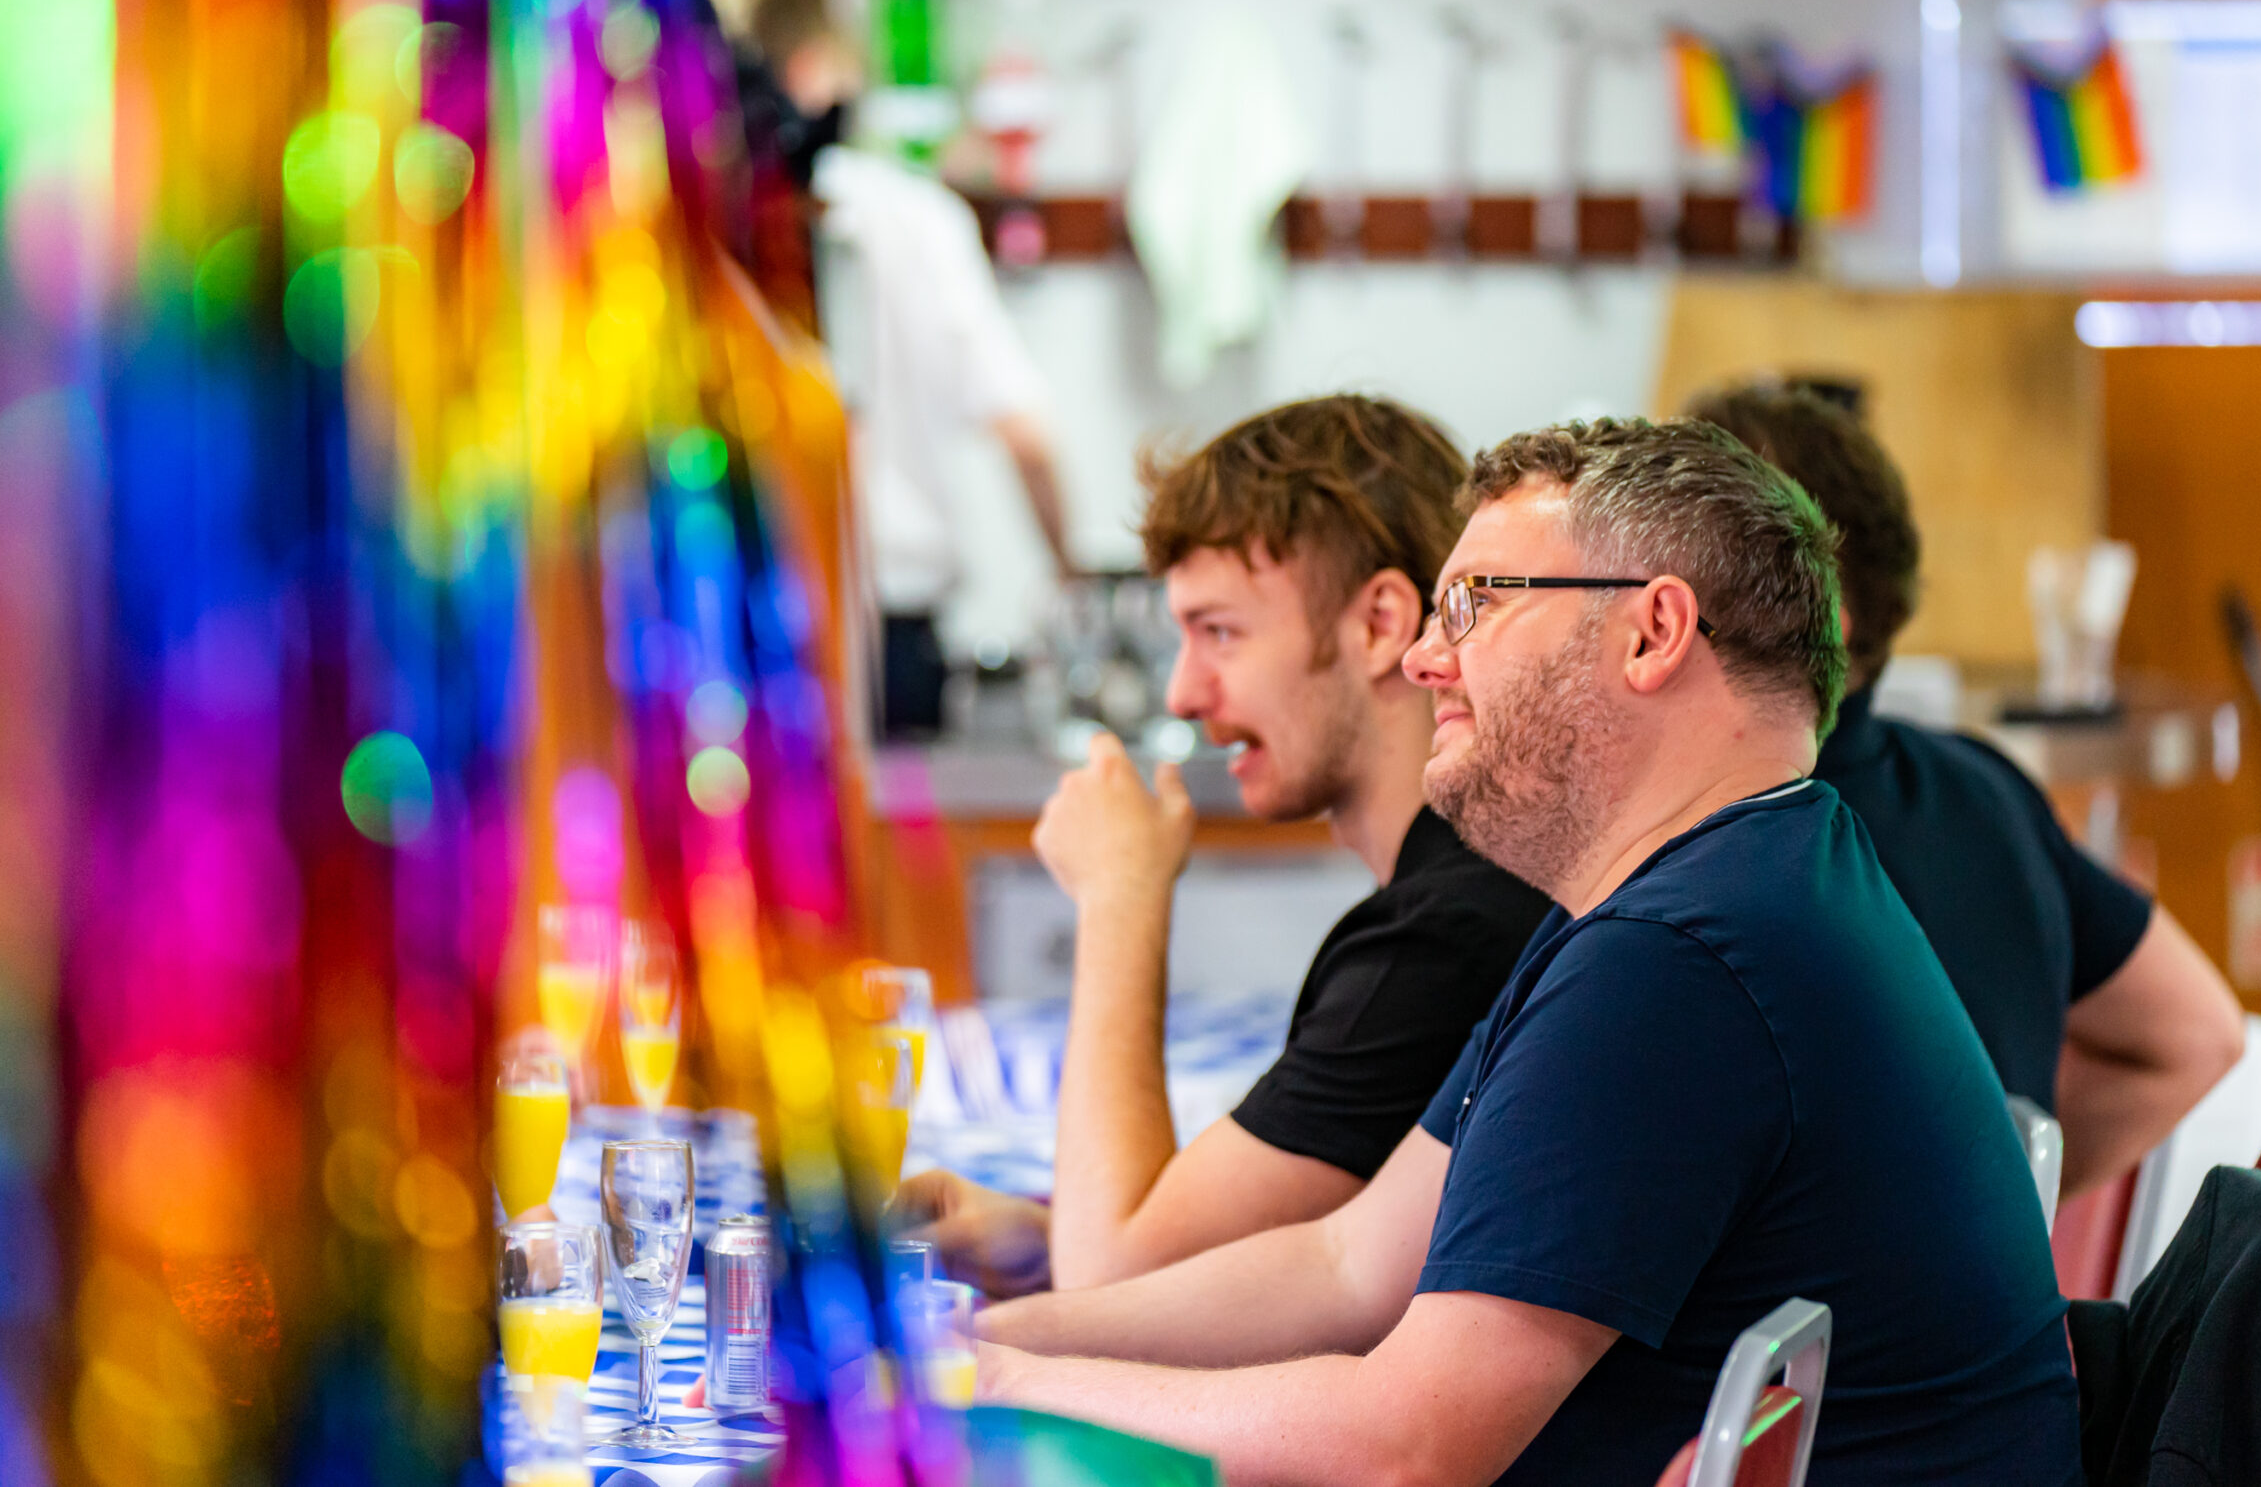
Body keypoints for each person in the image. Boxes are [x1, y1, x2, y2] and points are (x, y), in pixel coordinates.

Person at [971, 418, 2082, 1487]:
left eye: (1473, 604)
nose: (1422, 660)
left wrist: (995, 1385)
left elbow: (1403, 1447)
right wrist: (988, 1341)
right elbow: (1348, 1265)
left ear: (1651, 632)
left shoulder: (1682, 961)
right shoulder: (1732, 879)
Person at [895, 396, 1553, 1294]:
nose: (1182, 694)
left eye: (1220, 632)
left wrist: (1119, 894)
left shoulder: (1444, 934)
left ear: (1379, 624)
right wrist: (1042, 1234)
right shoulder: (1470, 890)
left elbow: (1117, 1280)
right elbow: (1254, 1264)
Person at [1689, 382, 2244, 1194]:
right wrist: (2008, 1209)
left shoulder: (1734, 850)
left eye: (1677, 564)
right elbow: (2200, 1032)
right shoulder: (1986, 788)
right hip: (1988, 1320)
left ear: (1816, 614)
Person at [812, 116, 1072, 737]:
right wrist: (1070, 573)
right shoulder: (920, 218)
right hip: (896, 626)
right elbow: (1025, 433)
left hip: (760, 630)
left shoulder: (709, 211)